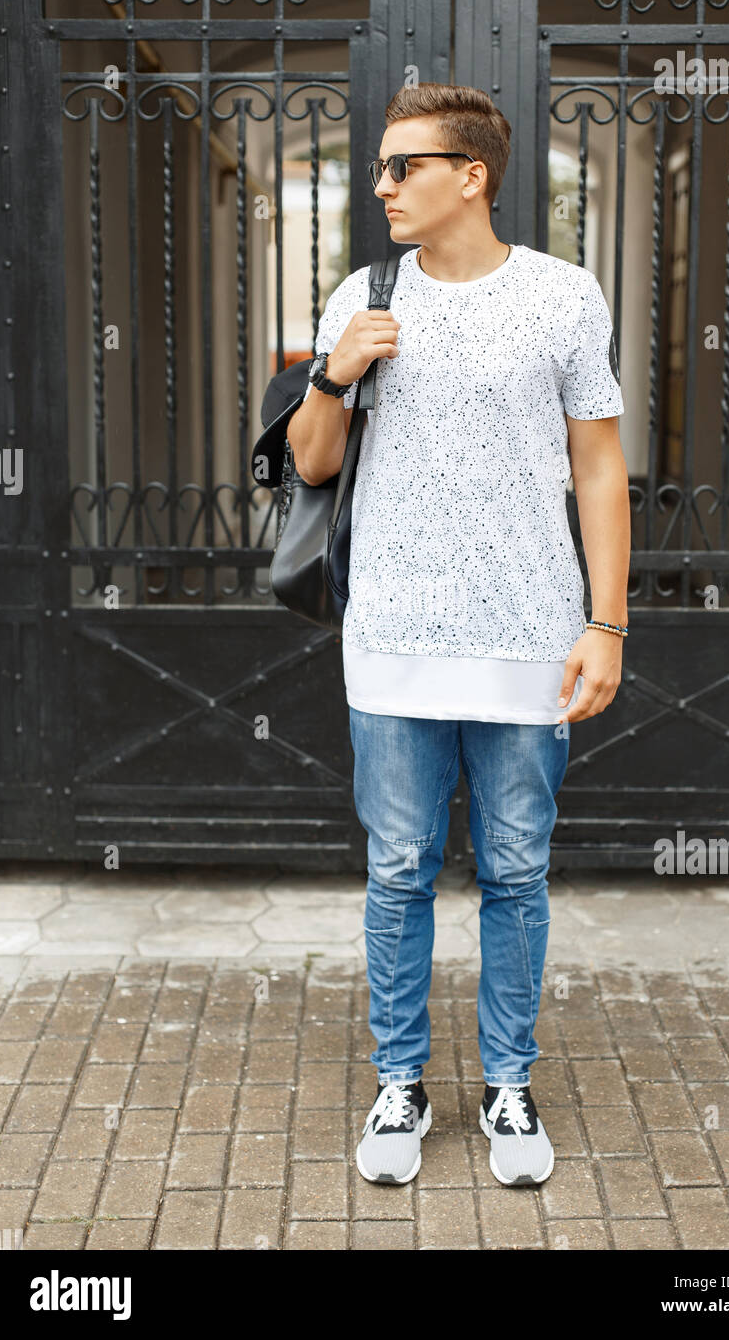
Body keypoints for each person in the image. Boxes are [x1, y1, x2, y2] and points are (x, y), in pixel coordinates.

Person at [285, 82, 630, 1188]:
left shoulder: (565, 297)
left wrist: (604, 624)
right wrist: (337, 371)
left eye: (400, 167)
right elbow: (309, 463)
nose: (380, 186)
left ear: (469, 175)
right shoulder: (362, 294)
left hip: (529, 631)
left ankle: (509, 1083)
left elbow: (597, 467)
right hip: (391, 632)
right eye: (378, 169)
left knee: (516, 869)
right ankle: (401, 1079)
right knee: (396, 869)